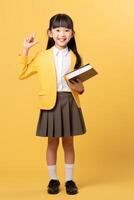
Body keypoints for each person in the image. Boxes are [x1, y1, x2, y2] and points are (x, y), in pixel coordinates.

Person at [18, 13, 87, 195]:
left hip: (69, 102)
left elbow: (80, 88)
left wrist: (80, 88)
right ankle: (53, 179)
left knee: (69, 143)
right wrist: (25, 49)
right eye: (57, 30)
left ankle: (70, 180)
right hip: (50, 103)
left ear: (72, 34)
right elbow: (22, 73)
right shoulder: (42, 56)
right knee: (52, 143)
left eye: (66, 30)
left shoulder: (75, 58)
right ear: (50, 33)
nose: (61, 34)